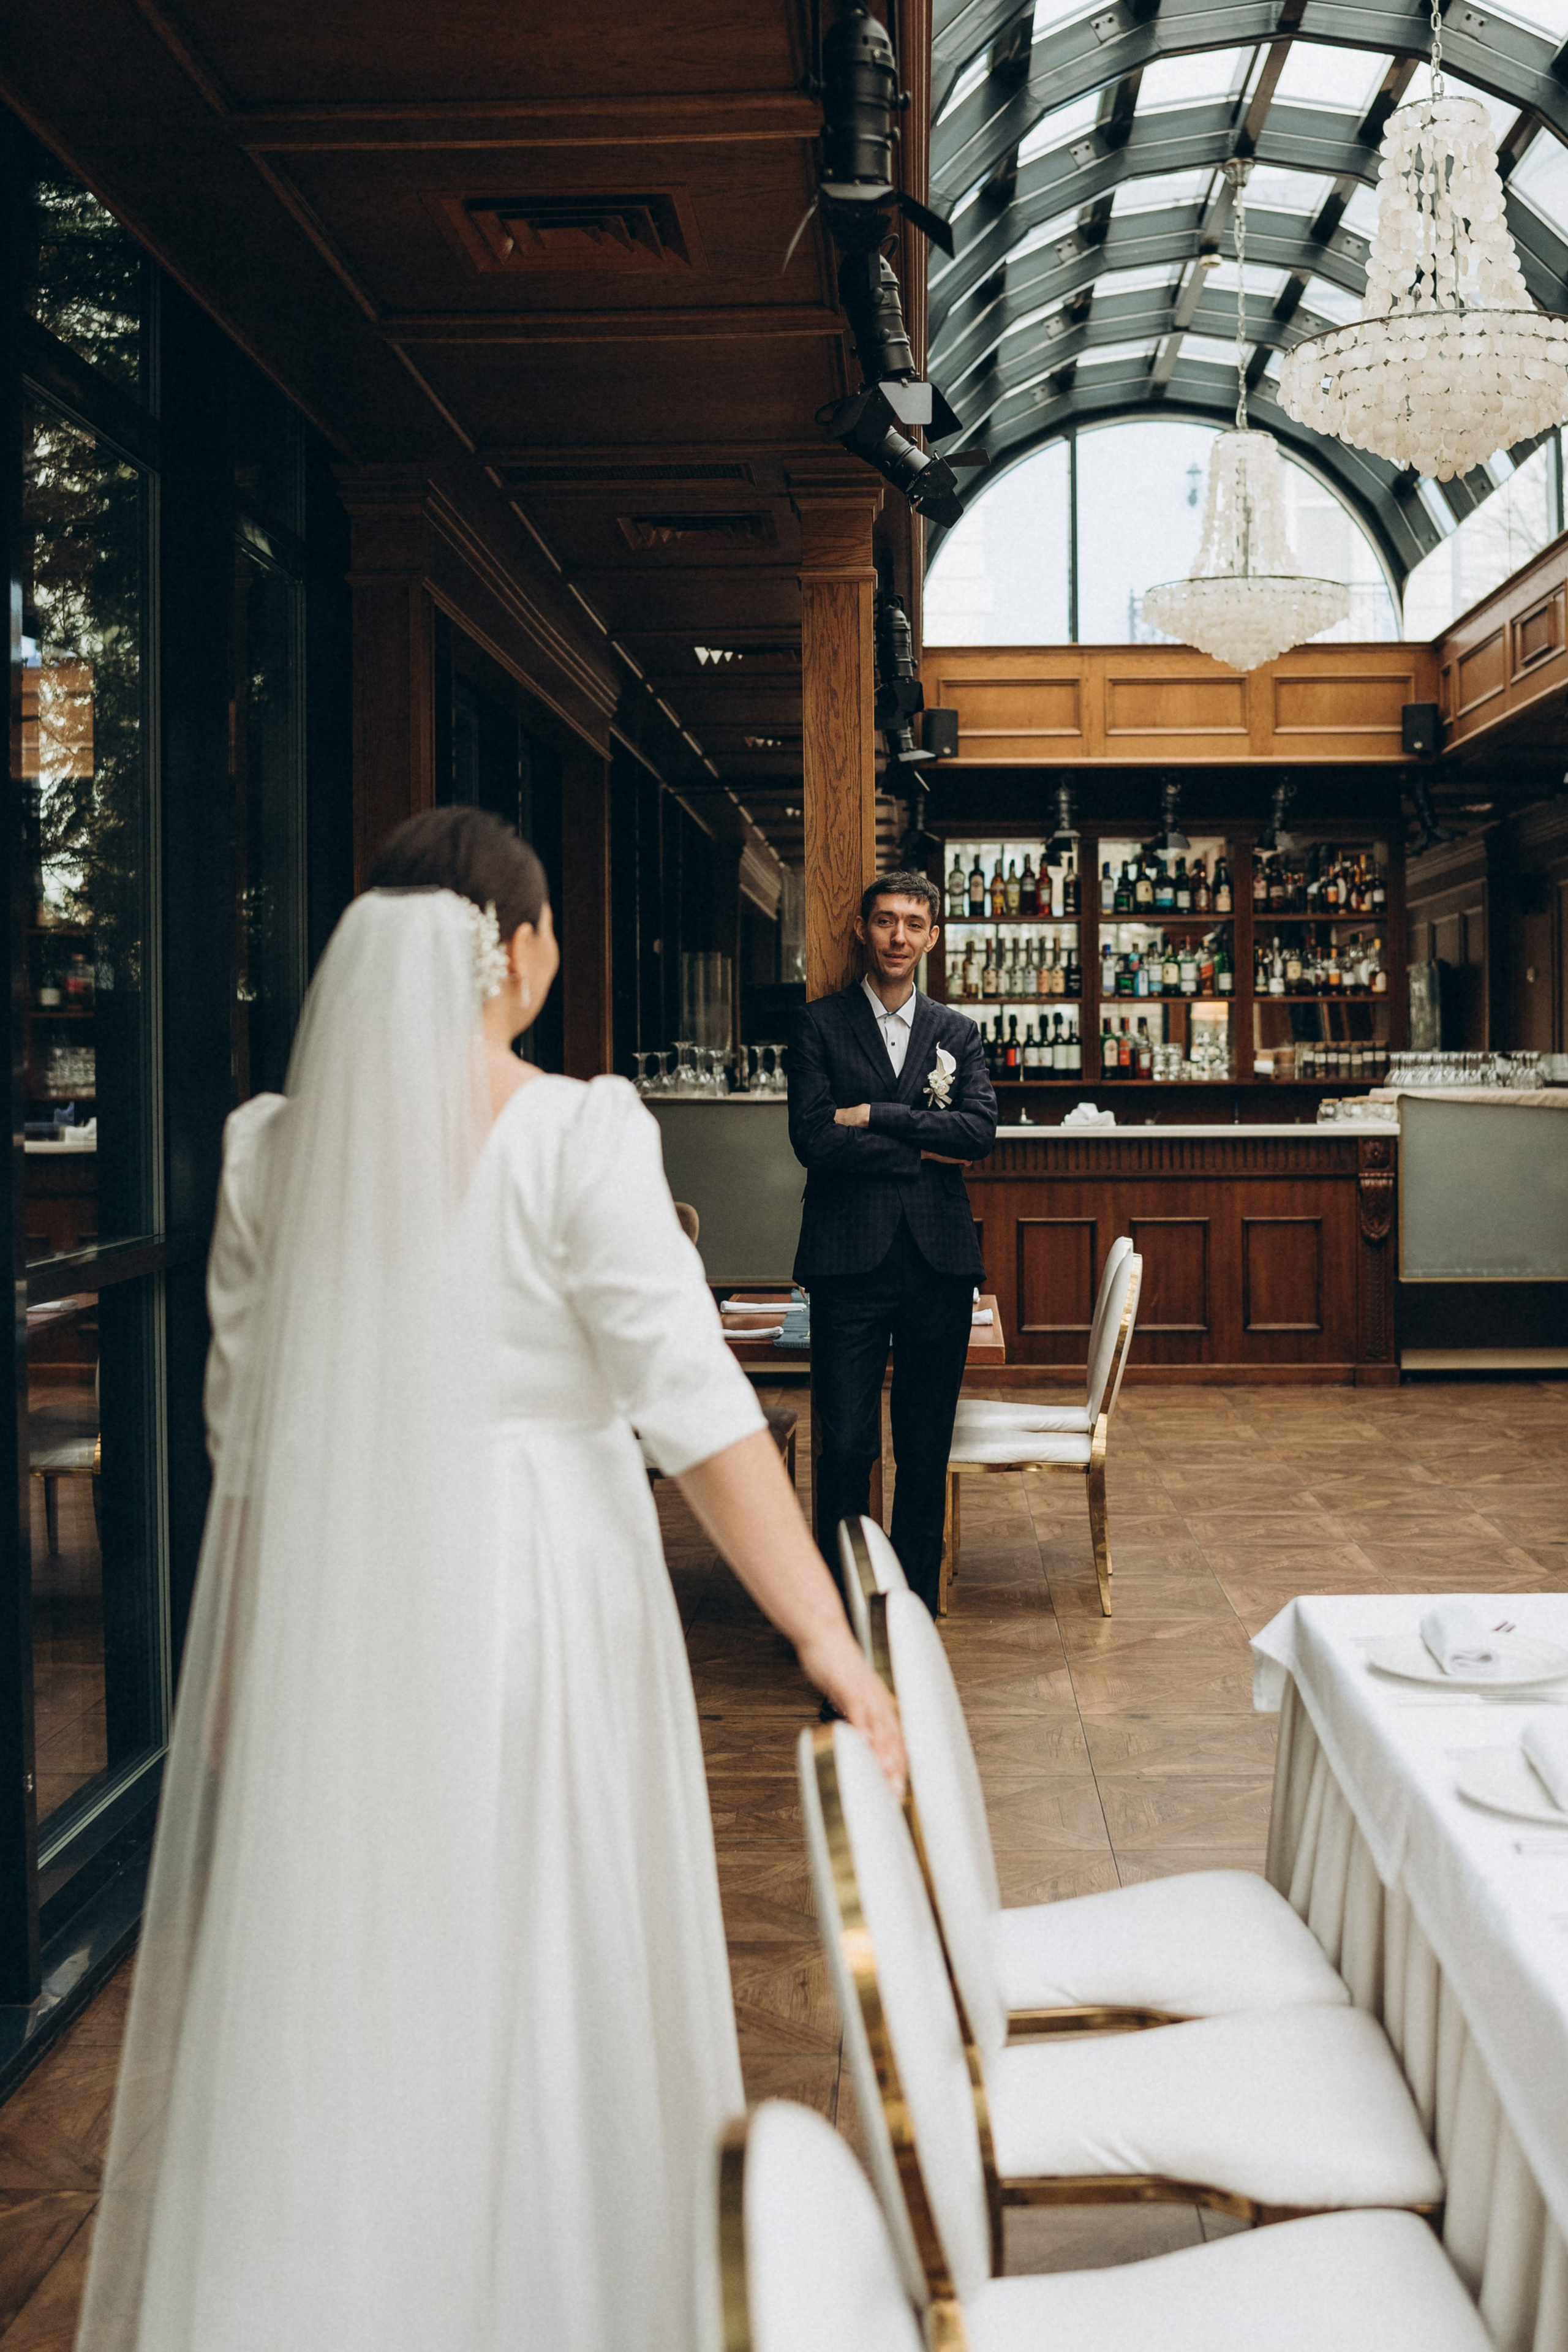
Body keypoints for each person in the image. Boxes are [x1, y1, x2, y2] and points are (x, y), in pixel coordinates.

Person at [77, 807, 903, 2352]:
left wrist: (244, 1692)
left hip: (342, 1611)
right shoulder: (577, 1131)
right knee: (543, 1934)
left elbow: (243, 1454)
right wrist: (829, 1644)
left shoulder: (269, 1152)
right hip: (541, 1598)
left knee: (363, 1965)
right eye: (551, 944)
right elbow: (703, 1416)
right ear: (515, 953)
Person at [787, 872, 997, 1616]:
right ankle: (839, 1607)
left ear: (932, 937)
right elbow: (813, 1141)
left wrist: (875, 1116)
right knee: (844, 1447)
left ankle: (911, 1608)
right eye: (885, 922)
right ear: (862, 930)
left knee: (923, 1446)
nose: (898, 937)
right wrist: (922, 1143)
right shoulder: (817, 1026)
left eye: (913, 924)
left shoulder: (958, 1034)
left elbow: (977, 1135)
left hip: (938, 1263)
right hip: (847, 1263)